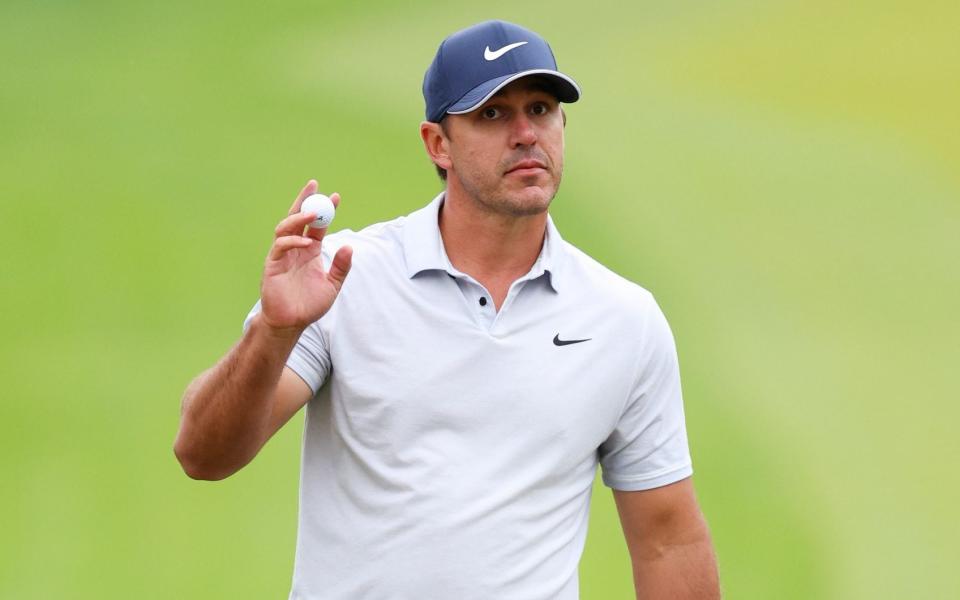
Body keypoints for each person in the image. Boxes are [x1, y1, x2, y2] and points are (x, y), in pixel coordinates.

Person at [174, 19, 720, 600]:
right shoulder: (344, 274)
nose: (525, 134)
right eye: (491, 114)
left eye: (540, 109)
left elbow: (668, 539)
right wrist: (275, 331)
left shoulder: (623, 318)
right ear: (438, 143)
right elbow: (204, 454)